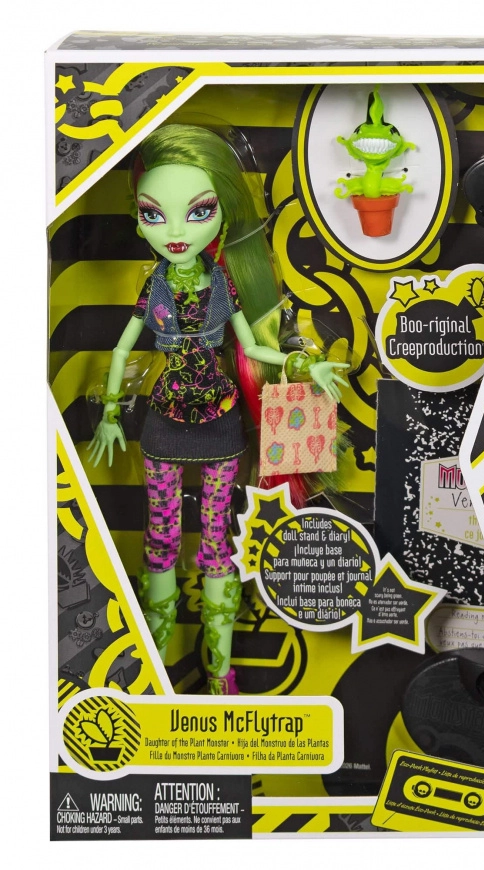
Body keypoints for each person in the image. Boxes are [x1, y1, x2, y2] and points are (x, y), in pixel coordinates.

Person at [88, 124, 347, 694]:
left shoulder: (224, 286)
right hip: (163, 425)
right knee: (160, 540)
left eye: (198, 211)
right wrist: (109, 412)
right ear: (138, 220)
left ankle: (219, 676)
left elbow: (253, 346)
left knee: (215, 544)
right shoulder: (155, 288)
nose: (176, 231)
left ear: (222, 214)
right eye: (154, 215)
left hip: (222, 426)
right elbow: (123, 349)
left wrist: (303, 366)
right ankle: (154, 673)